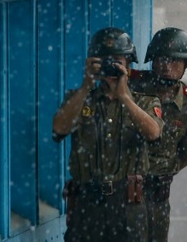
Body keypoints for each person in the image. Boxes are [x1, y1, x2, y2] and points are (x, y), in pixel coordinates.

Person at [52, 27, 164, 242]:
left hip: (128, 204)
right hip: (87, 203)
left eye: (116, 61)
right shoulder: (80, 99)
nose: (110, 66)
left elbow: (153, 133)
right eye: (104, 60)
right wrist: (86, 86)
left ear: (128, 64)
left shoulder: (144, 101)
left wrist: (124, 97)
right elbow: (59, 129)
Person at [128, 27, 187, 242]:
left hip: (158, 192)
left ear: (185, 65)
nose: (166, 66)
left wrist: (164, 171)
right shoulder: (132, 87)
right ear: (152, 60)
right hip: (124, 188)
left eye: (175, 61)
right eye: (161, 59)